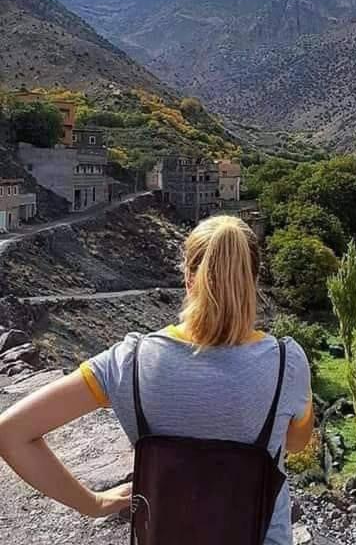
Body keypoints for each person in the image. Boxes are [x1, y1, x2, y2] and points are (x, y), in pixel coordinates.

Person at [0, 215, 314, 544]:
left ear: (188, 278)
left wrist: (93, 503)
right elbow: (294, 443)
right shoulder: (286, 362)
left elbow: (11, 433)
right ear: (253, 280)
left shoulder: (131, 361)